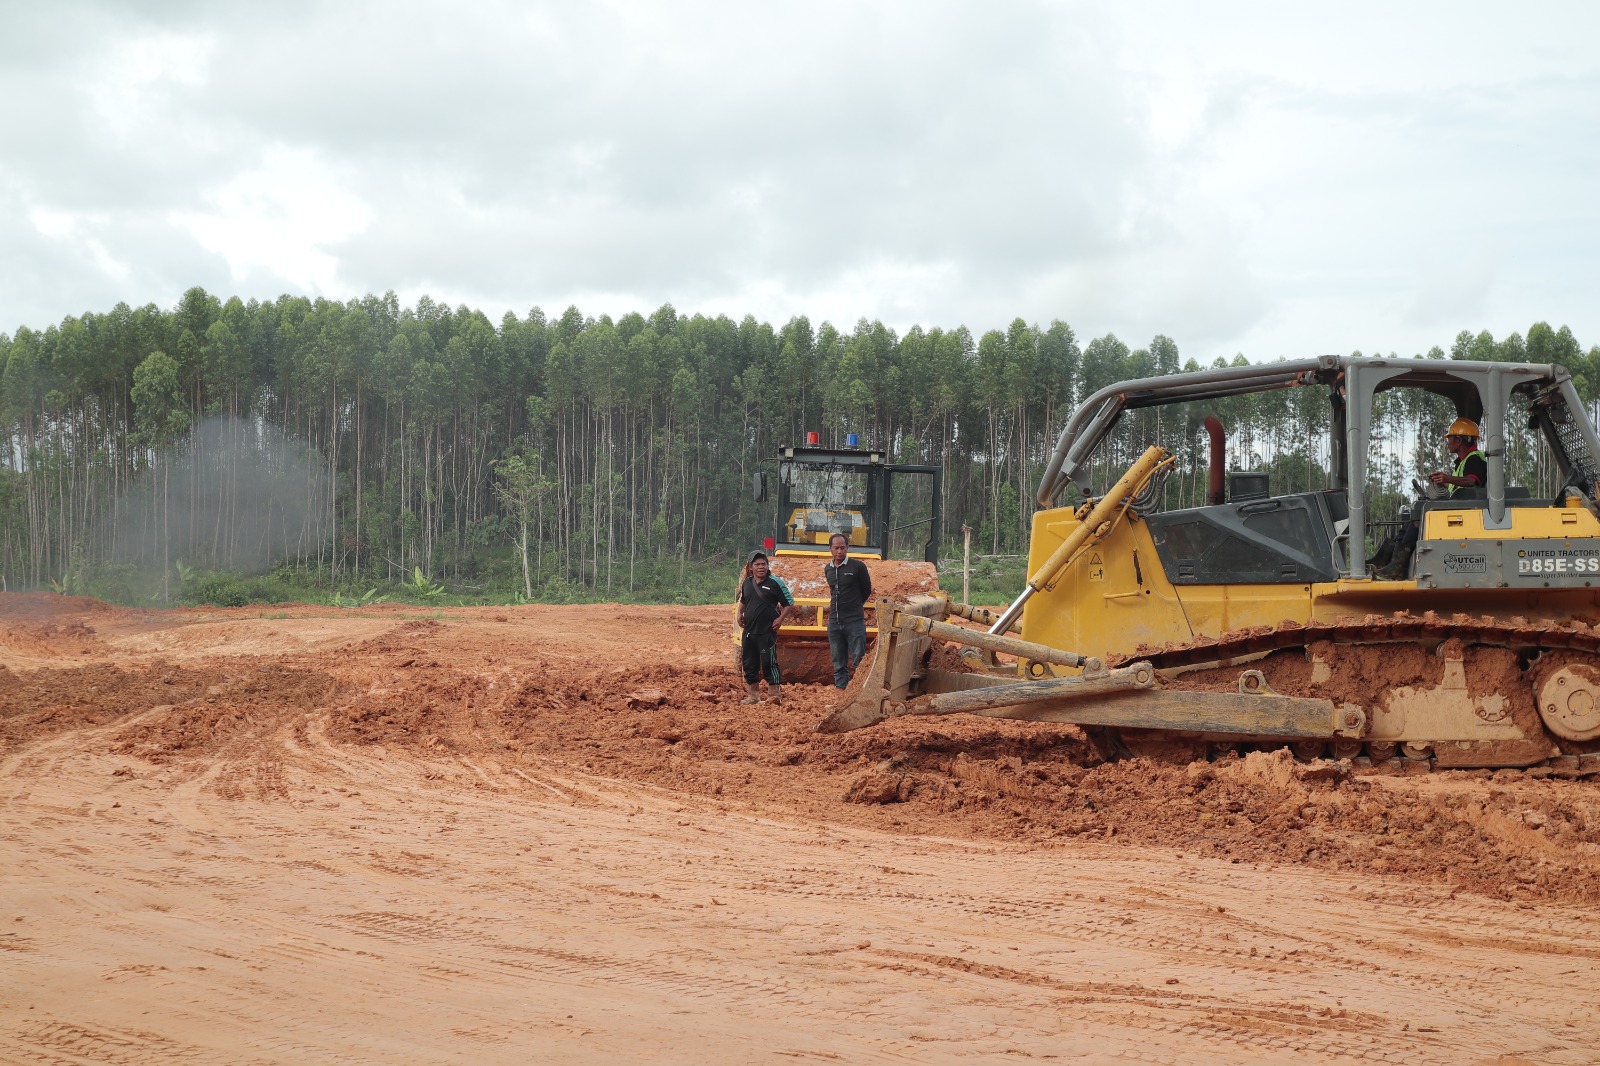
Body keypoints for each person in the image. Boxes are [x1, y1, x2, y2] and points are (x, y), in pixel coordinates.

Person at [1373, 418, 1486, 580]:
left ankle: (1398, 566)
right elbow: (1460, 486)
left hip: (1468, 513)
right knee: (1414, 513)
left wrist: (1446, 478)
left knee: (1418, 519)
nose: (1448, 442)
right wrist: (1442, 483)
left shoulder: (1474, 458)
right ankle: (1388, 560)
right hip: (1462, 507)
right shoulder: (1464, 461)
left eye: (1450, 438)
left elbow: (1472, 481)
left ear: (1459, 440)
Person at [736, 549, 793, 704]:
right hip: (749, 631)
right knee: (749, 663)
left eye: (763, 564)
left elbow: (789, 603)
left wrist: (780, 619)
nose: (761, 567)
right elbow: (743, 601)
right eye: (757, 564)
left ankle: (774, 696)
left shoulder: (775, 583)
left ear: (768, 566)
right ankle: (753, 696)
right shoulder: (747, 583)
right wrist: (739, 614)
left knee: (769, 662)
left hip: (766, 632)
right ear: (751, 567)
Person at [823, 532, 872, 689]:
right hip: (834, 622)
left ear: (847, 548)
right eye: (836, 548)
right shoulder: (828, 569)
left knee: (859, 660)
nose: (839, 551)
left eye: (842, 548)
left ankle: (860, 692)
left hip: (854, 622)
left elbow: (866, 590)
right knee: (838, 661)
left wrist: (855, 605)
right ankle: (841, 693)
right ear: (830, 549)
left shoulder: (857, 567)